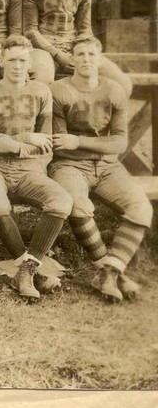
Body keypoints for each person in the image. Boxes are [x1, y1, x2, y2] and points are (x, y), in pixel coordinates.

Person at [50, 36, 151, 303]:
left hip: (107, 166)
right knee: (78, 206)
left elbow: (119, 142)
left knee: (141, 208)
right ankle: (111, 272)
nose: (86, 60)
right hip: (69, 165)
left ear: (100, 59)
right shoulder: (58, 90)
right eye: (80, 54)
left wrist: (80, 141)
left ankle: (109, 271)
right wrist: (96, 146)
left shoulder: (114, 90)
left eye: (91, 55)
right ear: (71, 59)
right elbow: (60, 147)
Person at [0, 36, 72, 300]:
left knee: (61, 200)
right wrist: (25, 140)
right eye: (12, 60)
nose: (17, 66)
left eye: (22, 60)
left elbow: (47, 144)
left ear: (29, 62)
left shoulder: (41, 91)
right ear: (2, 61)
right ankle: (29, 270)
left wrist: (11, 144)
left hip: (30, 169)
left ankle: (28, 268)